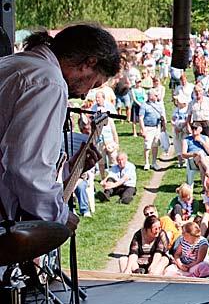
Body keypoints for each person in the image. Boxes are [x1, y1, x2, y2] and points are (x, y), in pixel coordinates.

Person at [0, 25, 120, 228]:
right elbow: (28, 171)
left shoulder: (20, 64)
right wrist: (59, 218)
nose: (84, 95)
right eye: (94, 83)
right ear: (89, 62)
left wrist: (69, 170)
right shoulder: (49, 82)